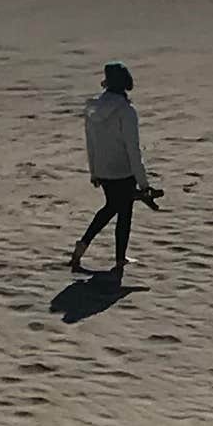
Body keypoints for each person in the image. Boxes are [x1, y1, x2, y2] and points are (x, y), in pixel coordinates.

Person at [71, 61, 160, 279]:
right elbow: (133, 148)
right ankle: (92, 248)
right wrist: (144, 183)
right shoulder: (126, 111)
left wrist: (94, 171)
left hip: (103, 167)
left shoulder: (93, 108)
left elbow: (90, 142)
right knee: (119, 210)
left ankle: (109, 254)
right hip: (122, 169)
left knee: (116, 207)